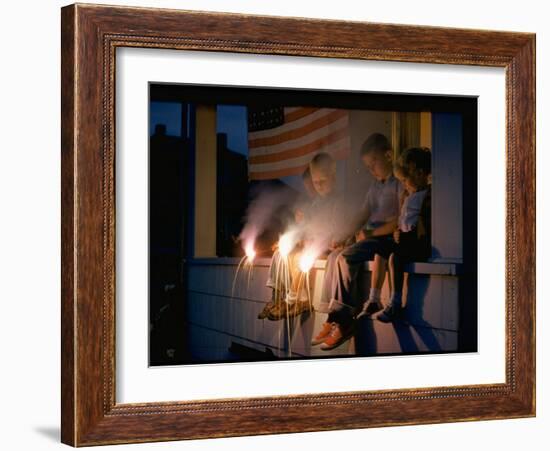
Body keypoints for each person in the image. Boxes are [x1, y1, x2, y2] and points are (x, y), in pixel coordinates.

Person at [311, 133, 403, 350]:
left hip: (386, 240)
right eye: (368, 167)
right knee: (334, 256)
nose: (371, 171)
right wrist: (343, 234)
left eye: (374, 164)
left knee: (345, 257)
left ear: (388, 155)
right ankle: (332, 317)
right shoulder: (375, 187)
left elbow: (400, 220)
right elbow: (362, 214)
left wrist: (371, 234)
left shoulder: (399, 184)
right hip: (372, 240)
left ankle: (344, 321)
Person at [375, 147, 432, 322]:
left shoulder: (428, 196)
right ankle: (373, 298)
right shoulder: (408, 196)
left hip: (417, 243)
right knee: (380, 250)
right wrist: (397, 233)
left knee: (395, 258)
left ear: (420, 174)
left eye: (406, 180)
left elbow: (423, 224)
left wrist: (407, 236)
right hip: (404, 240)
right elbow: (403, 220)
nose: (404, 185)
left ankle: (396, 302)